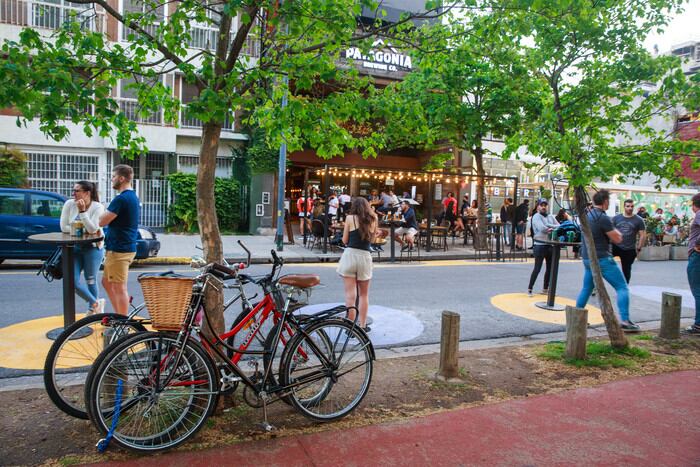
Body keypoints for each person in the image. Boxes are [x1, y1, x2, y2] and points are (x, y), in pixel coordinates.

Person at [575, 190, 638, 331]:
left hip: (587, 257)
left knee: (587, 288)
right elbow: (617, 238)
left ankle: (576, 317)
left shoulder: (586, 215)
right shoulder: (602, 218)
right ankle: (625, 320)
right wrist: (617, 232)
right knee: (622, 287)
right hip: (602, 258)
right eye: (608, 201)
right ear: (605, 202)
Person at [99, 164, 140, 316]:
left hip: (120, 249)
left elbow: (101, 221)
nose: (112, 179)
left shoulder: (121, 199)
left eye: (114, 176)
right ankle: (118, 315)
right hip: (119, 247)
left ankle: (122, 323)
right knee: (107, 282)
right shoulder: (132, 196)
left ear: (122, 178)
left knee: (119, 287)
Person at [60, 181, 106, 315]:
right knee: (71, 281)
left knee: (90, 279)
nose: (73, 193)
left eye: (77, 190)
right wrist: (83, 229)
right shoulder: (69, 204)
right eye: (73, 190)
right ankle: (96, 303)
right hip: (75, 248)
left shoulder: (98, 207)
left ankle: (92, 310)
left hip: (93, 248)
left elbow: (93, 229)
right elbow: (63, 227)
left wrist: (83, 212)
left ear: (87, 193)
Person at [337, 197, 377, 332]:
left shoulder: (350, 218)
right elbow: (372, 240)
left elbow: (344, 240)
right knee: (364, 295)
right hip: (365, 257)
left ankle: (350, 328)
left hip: (350, 256)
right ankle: (362, 325)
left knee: (350, 296)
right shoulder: (373, 218)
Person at [527, 200, 560, 296]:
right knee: (537, 268)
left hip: (549, 245)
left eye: (545, 205)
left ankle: (545, 289)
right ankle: (530, 288)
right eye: (541, 205)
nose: (543, 207)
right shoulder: (536, 216)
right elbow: (542, 229)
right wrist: (551, 228)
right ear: (538, 207)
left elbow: (559, 226)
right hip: (539, 245)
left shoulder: (550, 216)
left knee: (550, 269)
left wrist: (550, 227)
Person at [612, 199, 647, 284]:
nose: (630, 208)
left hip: (629, 249)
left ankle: (625, 288)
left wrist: (639, 248)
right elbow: (610, 232)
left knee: (626, 270)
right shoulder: (616, 218)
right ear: (624, 207)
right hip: (616, 246)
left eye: (632, 206)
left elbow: (643, 235)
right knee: (603, 263)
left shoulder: (639, 220)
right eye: (628, 206)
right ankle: (595, 284)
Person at [685, 193, 700, 335]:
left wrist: (697, 244)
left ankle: (698, 324)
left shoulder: (699, 213)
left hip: (697, 256)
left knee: (697, 290)